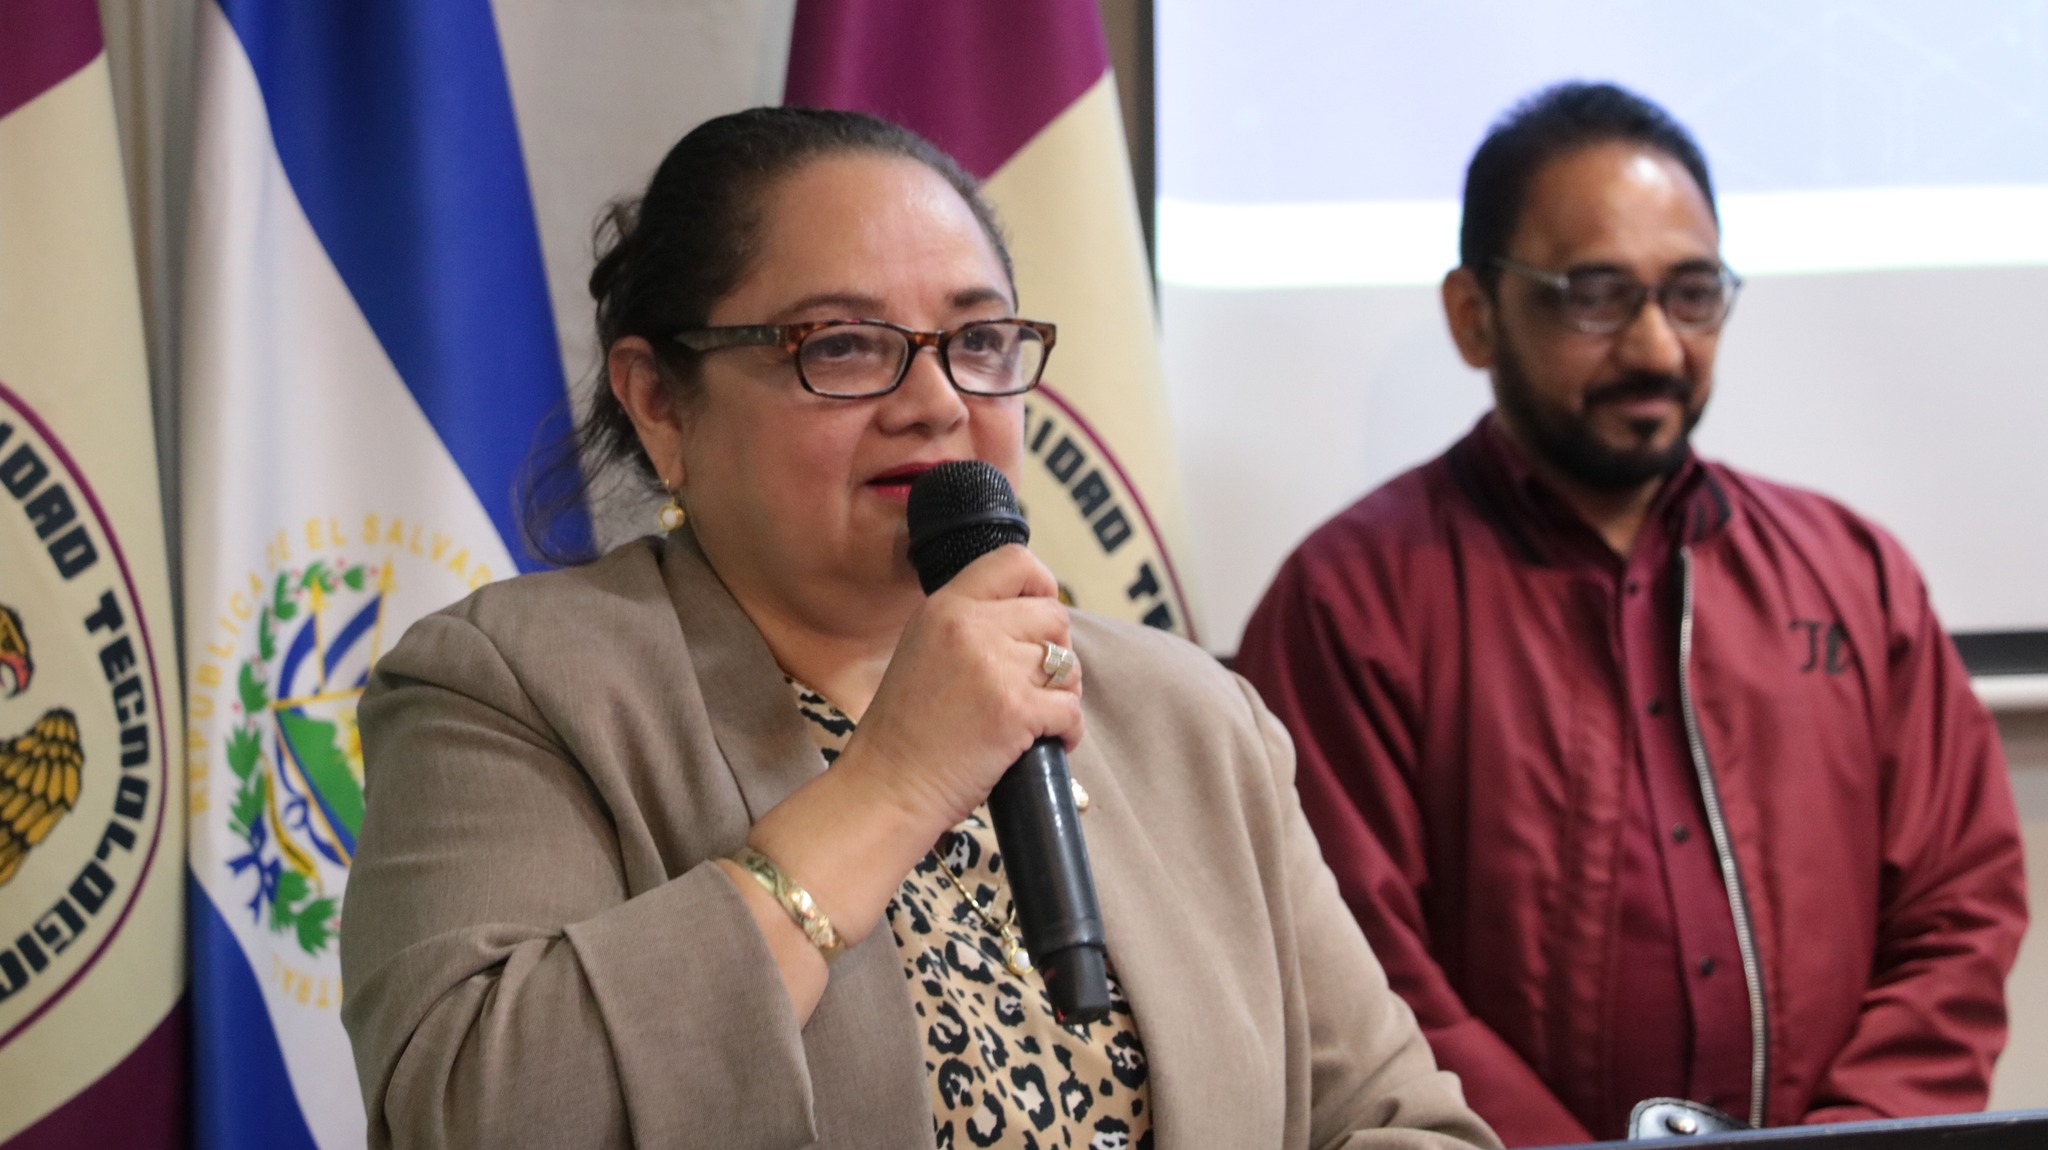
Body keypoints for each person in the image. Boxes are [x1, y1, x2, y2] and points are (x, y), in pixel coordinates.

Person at [338, 107, 1497, 1150]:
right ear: (659, 402)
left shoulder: (1189, 715)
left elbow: (1401, 1120)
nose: (937, 401)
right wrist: (894, 781)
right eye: (842, 344)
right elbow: (475, 1113)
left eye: (978, 342)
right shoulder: (511, 687)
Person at [1234, 82, 2029, 1146]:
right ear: (1474, 315)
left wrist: (1845, 1140)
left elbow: (1957, 906)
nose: (1657, 347)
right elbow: (1358, 972)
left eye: (1692, 294)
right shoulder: (1349, 604)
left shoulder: (1852, 574)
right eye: (1595, 296)